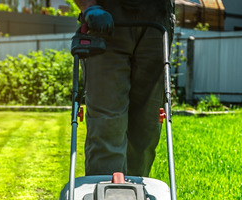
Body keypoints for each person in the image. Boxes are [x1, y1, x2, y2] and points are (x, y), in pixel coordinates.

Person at [75, 0, 175, 177]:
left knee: (146, 128)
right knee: (107, 125)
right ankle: (105, 196)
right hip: (107, 20)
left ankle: (136, 198)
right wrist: (89, 6)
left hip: (156, 20)